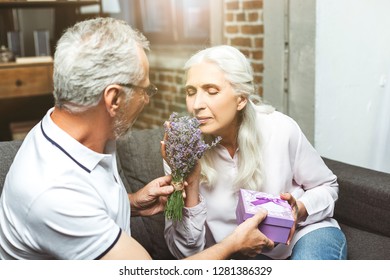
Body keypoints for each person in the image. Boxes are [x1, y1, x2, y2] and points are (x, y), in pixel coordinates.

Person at [0, 18, 274, 260]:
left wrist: (130, 203)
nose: (146, 99)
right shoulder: (53, 194)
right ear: (114, 99)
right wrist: (233, 244)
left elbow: (88, 200)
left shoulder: (80, 130)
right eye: (145, 89)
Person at [164, 45, 347, 260]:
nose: (196, 104)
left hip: (304, 235)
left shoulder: (280, 128)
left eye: (211, 91)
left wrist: (300, 209)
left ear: (241, 98)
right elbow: (186, 255)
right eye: (190, 92)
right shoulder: (180, 152)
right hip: (240, 254)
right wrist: (190, 183)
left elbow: (327, 186)